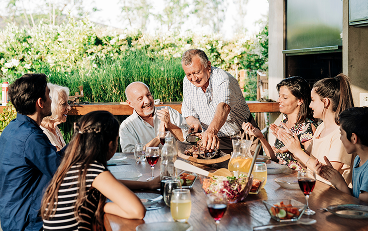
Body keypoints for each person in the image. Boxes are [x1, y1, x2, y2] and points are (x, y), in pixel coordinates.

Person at [41, 110, 146, 230]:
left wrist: (148, 185)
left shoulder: (74, 165)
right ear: (110, 144)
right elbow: (137, 211)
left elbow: (113, 185)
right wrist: (102, 207)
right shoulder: (92, 169)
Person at [0, 74, 65, 231]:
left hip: (11, 215)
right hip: (27, 222)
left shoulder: (12, 128)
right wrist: (80, 140)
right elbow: (61, 170)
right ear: (40, 103)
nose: (51, 100)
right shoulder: (31, 137)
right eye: (48, 95)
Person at [277, 74, 354, 185]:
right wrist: (291, 146)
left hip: (333, 197)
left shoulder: (340, 133)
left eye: (313, 100)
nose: (310, 106)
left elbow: (328, 174)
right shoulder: (321, 127)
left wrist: (297, 150)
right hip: (314, 190)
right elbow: (307, 164)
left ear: (326, 102)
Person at [181, 49, 256, 152]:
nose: (193, 78)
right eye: (189, 74)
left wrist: (211, 131)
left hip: (244, 136)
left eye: (197, 72)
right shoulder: (187, 82)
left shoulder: (223, 79)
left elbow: (224, 107)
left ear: (208, 66)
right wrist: (195, 123)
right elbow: (189, 113)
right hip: (217, 140)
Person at [243, 77, 317, 171]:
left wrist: (293, 151)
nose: (278, 100)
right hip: (281, 177)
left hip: (298, 181)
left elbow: (310, 165)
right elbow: (276, 158)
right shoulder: (284, 124)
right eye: (279, 96)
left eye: (285, 97)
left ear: (300, 100)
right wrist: (261, 137)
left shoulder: (307, 127)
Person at [317, 107, 368, 202]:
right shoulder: (358, 160)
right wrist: (335, 179)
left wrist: (340, 183)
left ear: (353, 138)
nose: (340, 138)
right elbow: (356, 196)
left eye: (341, 134)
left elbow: (361, 209)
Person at [119, 82, 187, 152]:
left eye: (148, 95)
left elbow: (188, 140)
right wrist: (159, 137)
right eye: (140, 99)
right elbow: (130, 154)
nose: (147, 101)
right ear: (130, 103)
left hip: (174, 162)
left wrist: (170, 126)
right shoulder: (127, 126)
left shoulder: (168, 111)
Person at [41, 83, 71, 151]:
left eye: (68, 103)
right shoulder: (42, 133)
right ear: (51, 106)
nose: (69, 107)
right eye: (63, 104)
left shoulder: (54, 128)